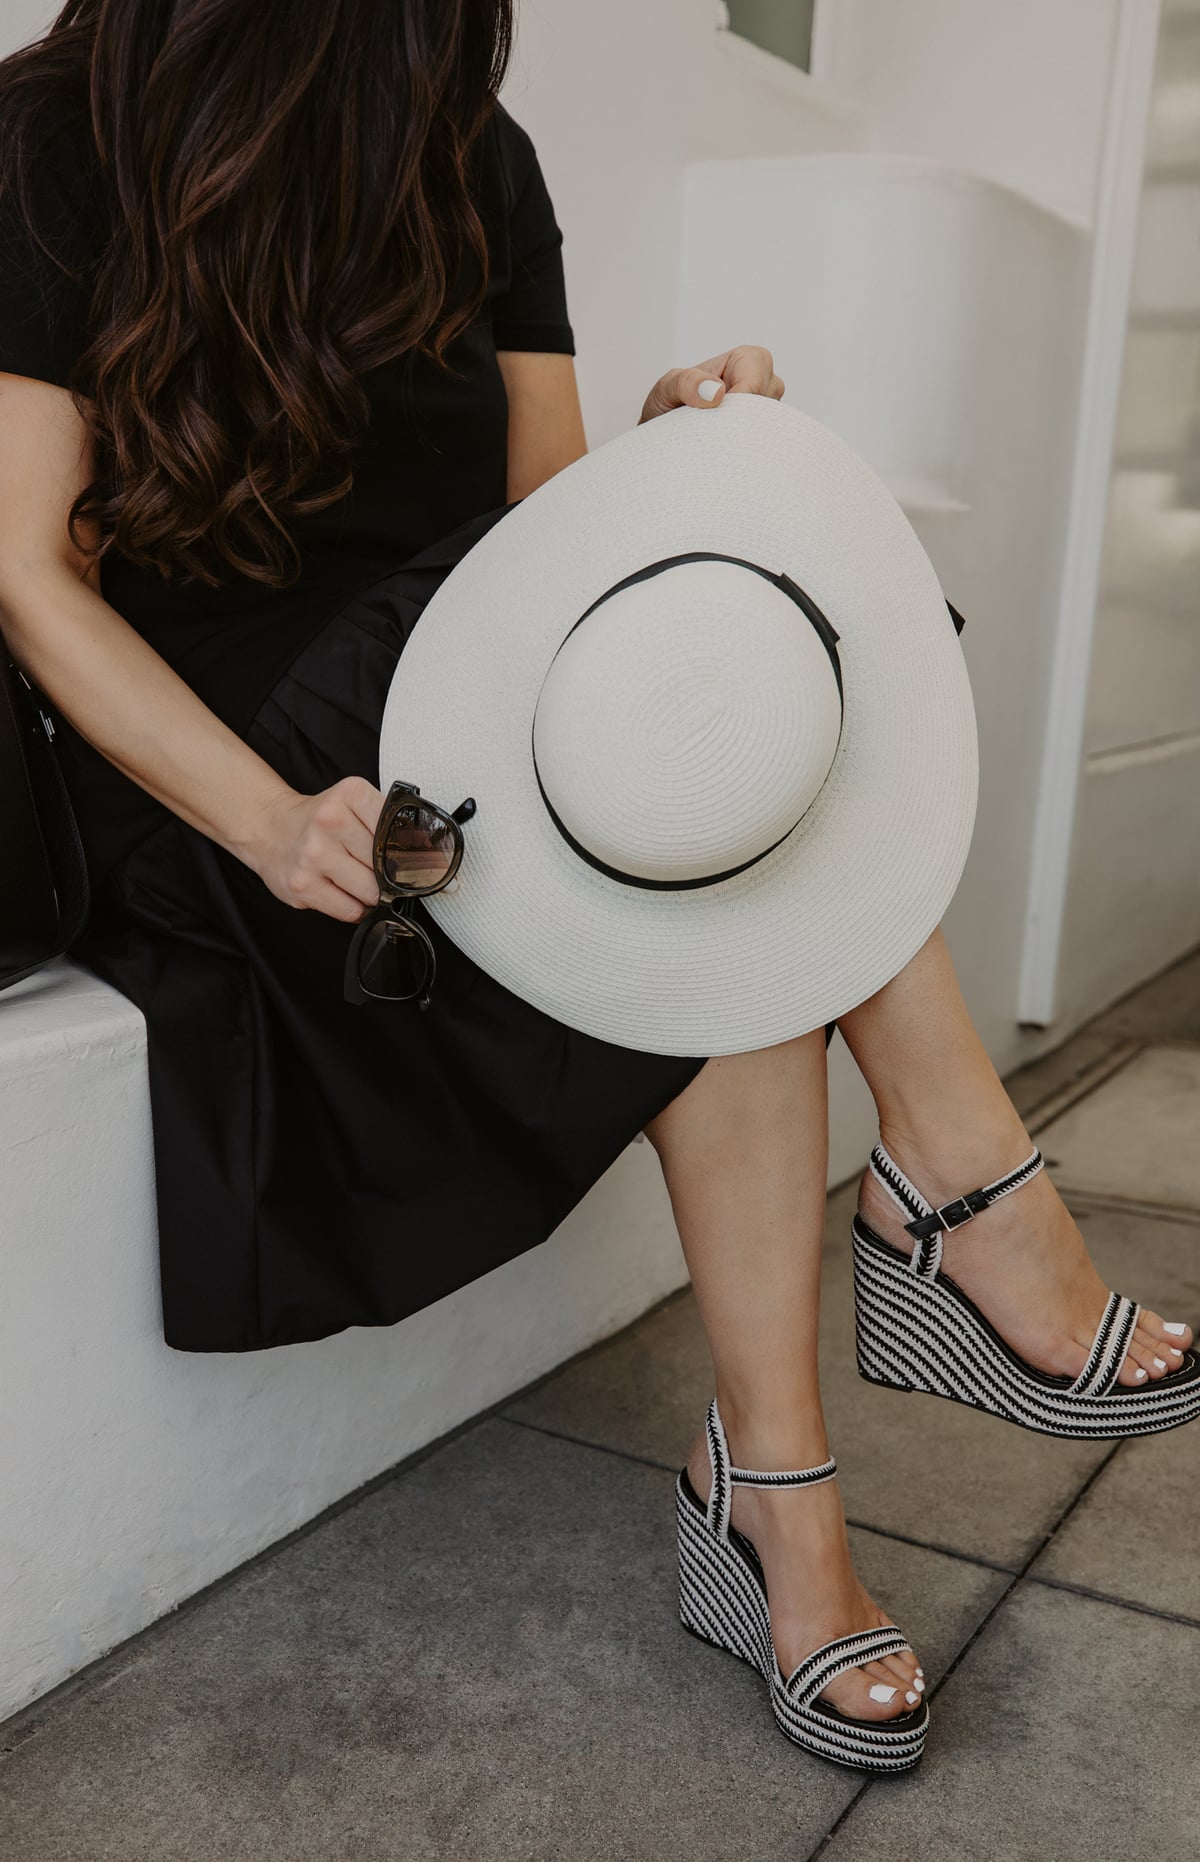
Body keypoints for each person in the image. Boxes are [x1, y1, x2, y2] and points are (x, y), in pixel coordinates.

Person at [0, 0, 1193, 1755]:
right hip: (212, 779)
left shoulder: (471, 152)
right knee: (681, 810)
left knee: (715, 713)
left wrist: (676, 450)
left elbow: (543, 550)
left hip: (440, 751)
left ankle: (800, 1461)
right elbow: (27, 578)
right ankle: (947, 1226)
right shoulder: (54, 135)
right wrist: (263, 817)